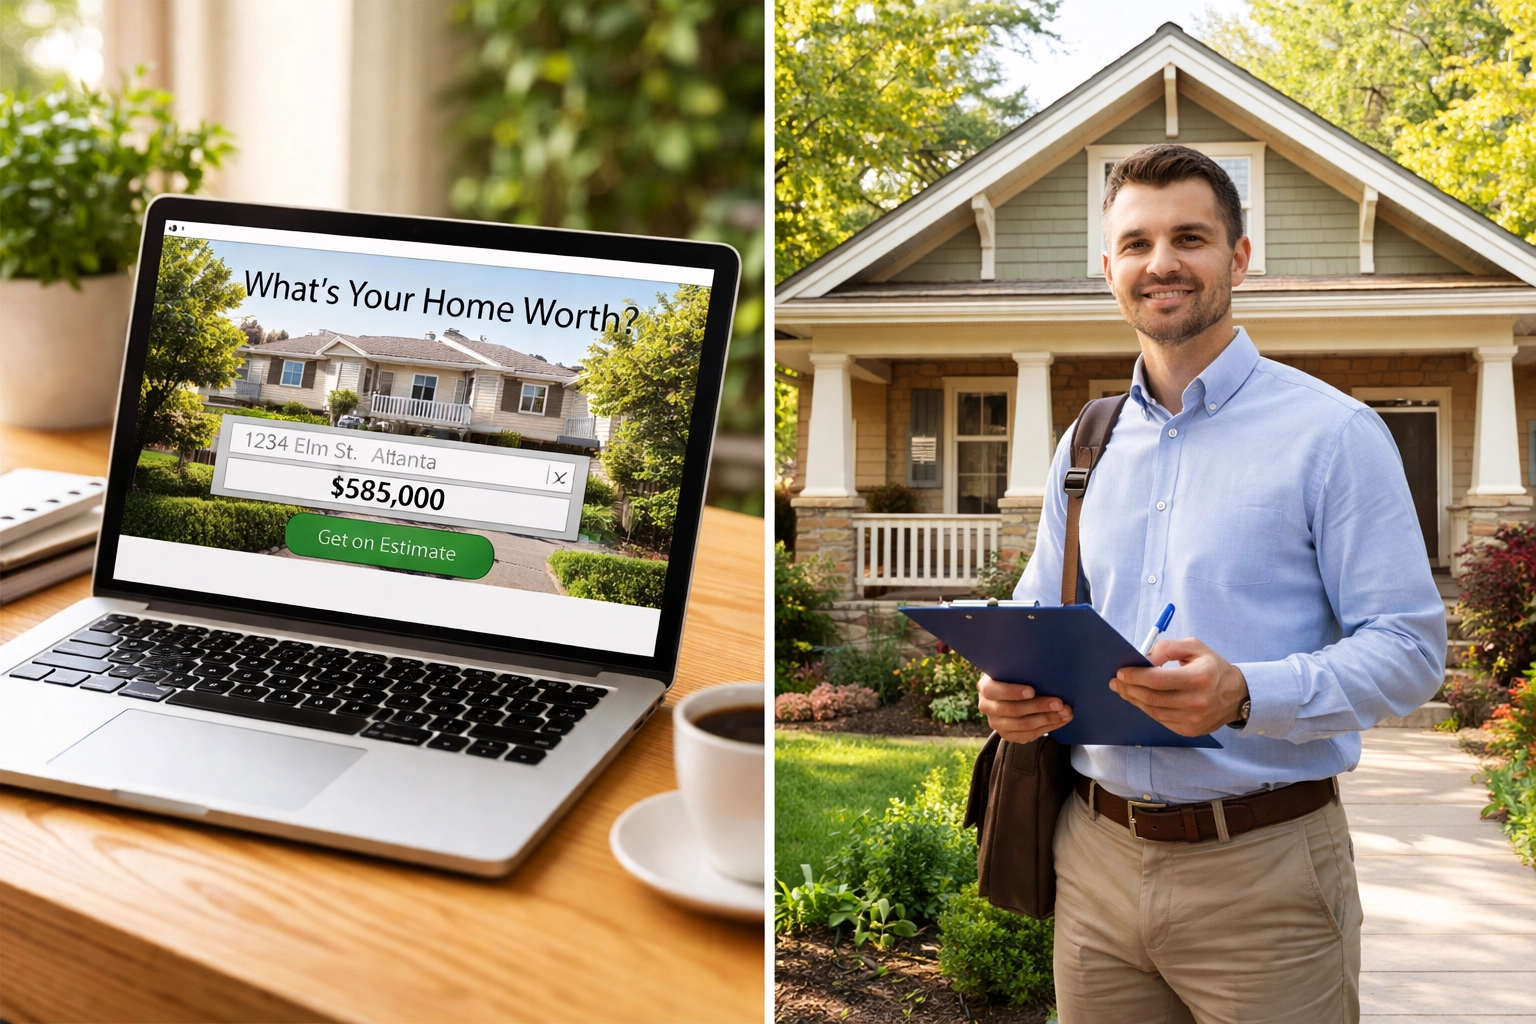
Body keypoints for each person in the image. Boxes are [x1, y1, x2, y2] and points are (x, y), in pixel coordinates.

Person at [977, 143, 1446, 1024]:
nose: (1161, 262)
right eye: (1137, 243)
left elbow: (1411, 652)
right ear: (1108, 268)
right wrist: (1008, 687)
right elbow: (1040, 614)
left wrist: (1246, 693)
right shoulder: (1086, 443)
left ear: (1239, 256)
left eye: (1189, 238)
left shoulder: (1334, 435)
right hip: (1093, 860)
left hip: (1266, 872)